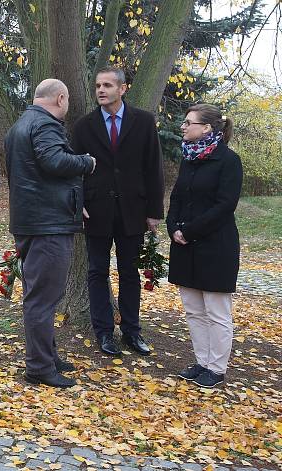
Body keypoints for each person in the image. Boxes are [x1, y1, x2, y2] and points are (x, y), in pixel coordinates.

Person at [6, 79, 96, 388]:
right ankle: (40, 366)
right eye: (67, 100)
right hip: (47, 226)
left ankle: (47, 357)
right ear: (61, 98)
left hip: (35, 220)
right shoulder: (45, 125)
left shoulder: (22, 124)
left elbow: (40, 175)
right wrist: (87, 162)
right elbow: (54, 162)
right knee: (42, 299)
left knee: (40, 295)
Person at [71, 66, 164, 357]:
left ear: (122, 89)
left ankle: (132, 332)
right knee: (97, 272)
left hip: (132, 211)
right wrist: (78, 203)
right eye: (98, 85)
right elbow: (73, 170)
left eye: (108, 85)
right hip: (95, 211)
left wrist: (153, 211)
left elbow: (154, 168)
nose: (101, 90)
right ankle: (104, 333)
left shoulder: (144, 122)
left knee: (129, 273)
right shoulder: (84, 126)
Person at [167, 104, 242, 388]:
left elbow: (225, 206)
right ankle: (202, 362)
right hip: (185, 245)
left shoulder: (229, 161)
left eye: (188, 123)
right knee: (194, 310)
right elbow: (176, 198)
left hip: (215, 246)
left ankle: (217, 368)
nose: (183, 127)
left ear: (207, 128)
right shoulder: (189, 159)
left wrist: (189, 231)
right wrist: (173, 227)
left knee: (216, 311)